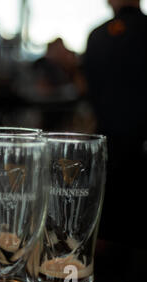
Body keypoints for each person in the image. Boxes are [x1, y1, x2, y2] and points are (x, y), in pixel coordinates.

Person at [83, 0, 147, 246]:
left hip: (106, 143)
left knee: (105, 221)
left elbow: (89, 89)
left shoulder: (97, 36)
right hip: (139, 145)